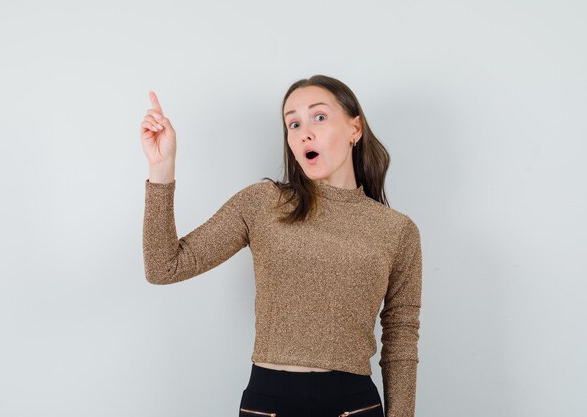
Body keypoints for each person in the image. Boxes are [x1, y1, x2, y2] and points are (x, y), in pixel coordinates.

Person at [140, 74, 423, 417]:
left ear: (355, 129)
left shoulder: (396, 230)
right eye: (293, 123)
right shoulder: (263, 203)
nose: (304, 131)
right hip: (269, 403)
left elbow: (401, 338)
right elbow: (164, 266)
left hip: (354, 405)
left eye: (319, 117)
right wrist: (161, 168)